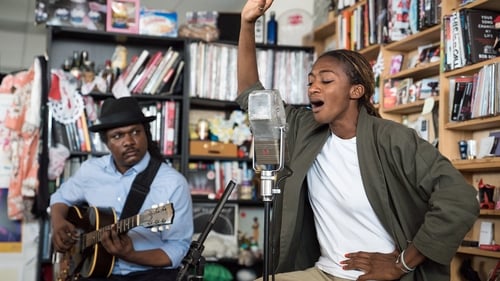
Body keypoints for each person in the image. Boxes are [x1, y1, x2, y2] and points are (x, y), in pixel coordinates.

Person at [236, 1, 480, 281]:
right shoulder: (305, 128)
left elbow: (461, 199)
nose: (313, 87)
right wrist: (246, 23)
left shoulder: (392, 138)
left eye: (326, 81)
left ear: (356, 90)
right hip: (324, 272)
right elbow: (252, 97)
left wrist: (402, 264)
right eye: (311, 80)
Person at [50, 96, 193, 281]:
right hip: (93, 271)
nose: (129, 141)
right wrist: (59, 223)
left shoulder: (173, 183)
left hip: (148, 274)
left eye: (135, 132)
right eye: (117, 136)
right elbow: (60, 197)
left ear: (146, 134)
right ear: (106, 142)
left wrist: (131, 255)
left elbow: (178, 248)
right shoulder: (91, 171)